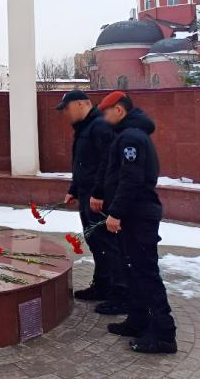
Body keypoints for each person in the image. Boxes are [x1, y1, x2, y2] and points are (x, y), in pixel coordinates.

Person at [99, 91, 177, 354]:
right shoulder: (128, 134)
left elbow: (131, 179)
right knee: (132, 269)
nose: (104, 117)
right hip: (134, 214)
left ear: (119, 110)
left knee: (145, 273)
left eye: (106, 112)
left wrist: (116, 213)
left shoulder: (131, 137)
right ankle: (138, 320)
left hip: (137, 215)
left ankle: (164, 335)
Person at [56, 90, 127, 310]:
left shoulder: (100, 126)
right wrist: (74, 189)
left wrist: (99, 193)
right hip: (88, 195)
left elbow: (109, 163)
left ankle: (121, 294)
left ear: (80, 104)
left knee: (108, 244)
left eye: (67, 108)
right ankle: (103, 286)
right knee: (96, 242)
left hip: (99, 198)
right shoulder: (85, 127)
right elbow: (83, 163)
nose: (65, 113)